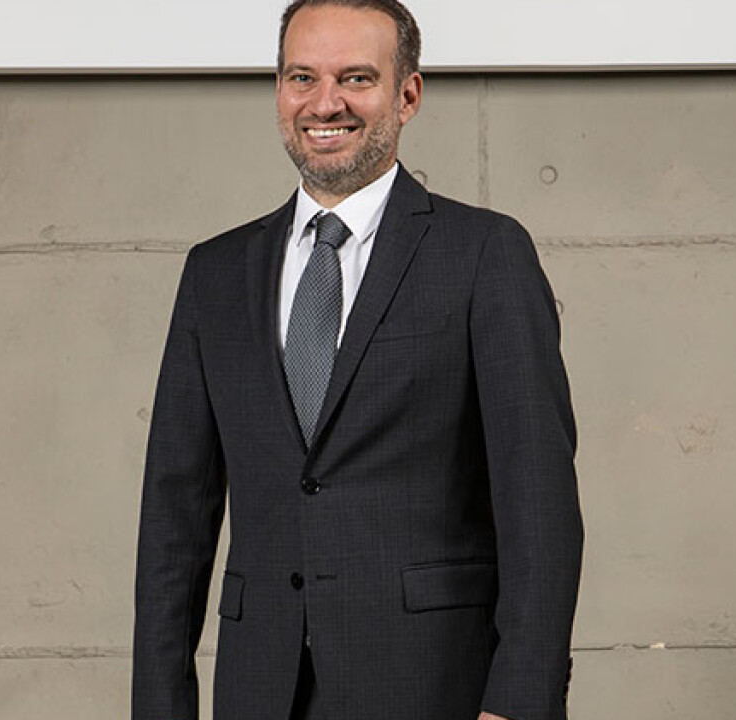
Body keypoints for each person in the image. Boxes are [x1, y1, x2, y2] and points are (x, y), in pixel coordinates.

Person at [131, 1, 583, 718]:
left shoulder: (483, 255)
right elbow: (173, 519)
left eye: (356, 78)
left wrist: (520, 700)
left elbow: (539, 503)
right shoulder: (215, 273)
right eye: (302, 77)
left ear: (407, 95)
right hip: (260, 689)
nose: (325, 103)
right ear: (279, 92)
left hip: (434, 685)